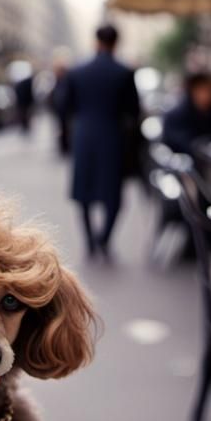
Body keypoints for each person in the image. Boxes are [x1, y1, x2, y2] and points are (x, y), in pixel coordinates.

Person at [62, 24, 141, 259]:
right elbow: (134, 110)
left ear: (95, 41)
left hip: (84, 136)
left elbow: (65, 106)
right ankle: (104, 237)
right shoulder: (124, 72)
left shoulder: (77, 72)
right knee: (113, 194)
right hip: (113, 137)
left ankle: (89, 240)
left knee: (84, 190)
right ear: (116, 43)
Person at [161, 71, 211, 156]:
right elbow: (181, 144)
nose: (209, 94)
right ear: (193, 91)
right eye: (204, 90)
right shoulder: (177, 116)